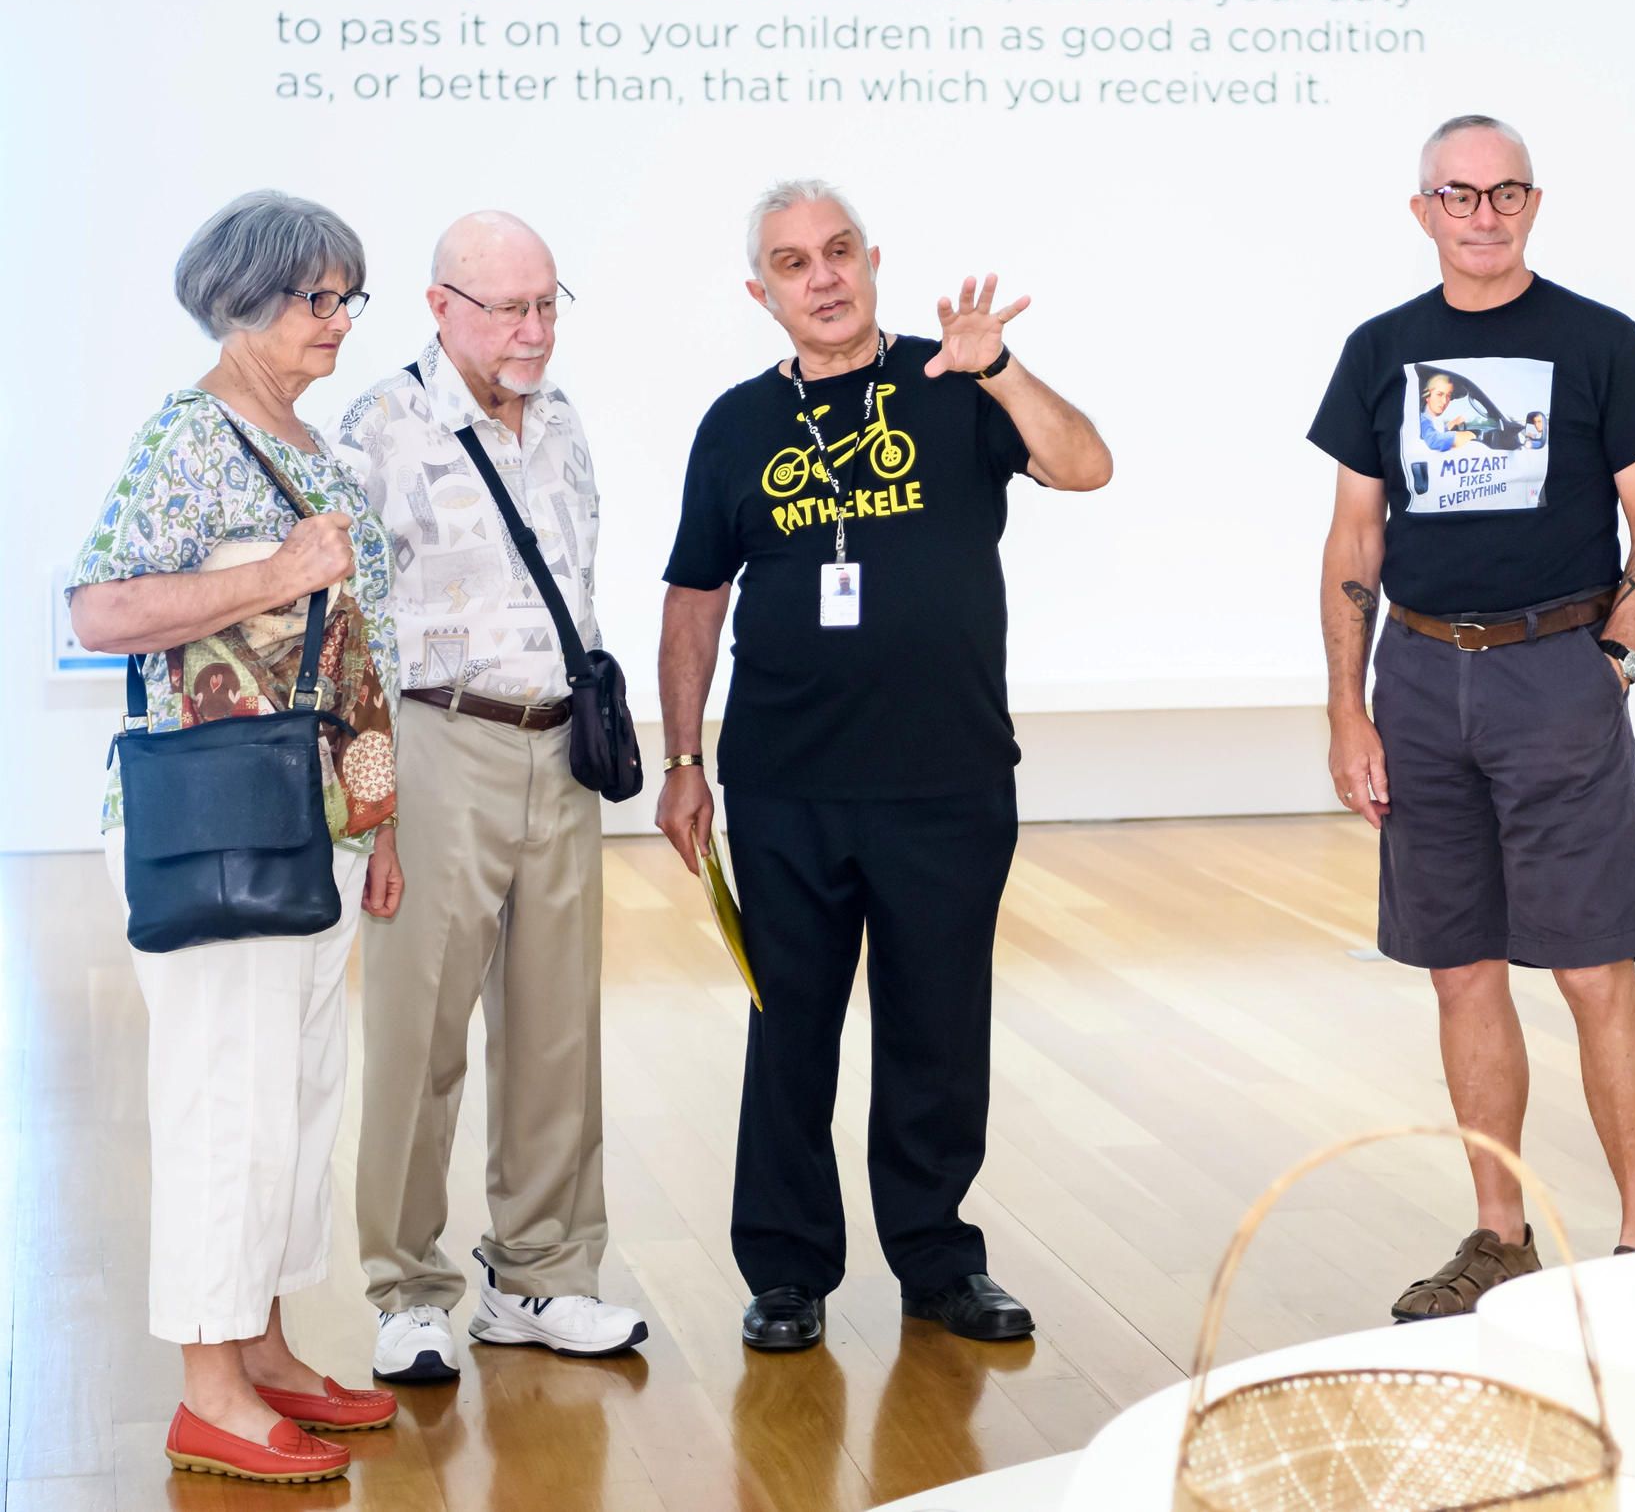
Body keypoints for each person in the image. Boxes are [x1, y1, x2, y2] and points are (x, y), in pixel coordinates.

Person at [656, 180, 1113, 1351]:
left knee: (936, 1031)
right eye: (792, 262)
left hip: (947, 778)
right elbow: (696, 600)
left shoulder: (953, 384)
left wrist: (999, 364)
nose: (823, 276)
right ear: (759, 292)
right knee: (791, 1027)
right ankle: (789, 1271)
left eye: (839, 251)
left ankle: (937, 1260)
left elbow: (1085, 466)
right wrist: (683, 758)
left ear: (872, 261)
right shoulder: (735, 423)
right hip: (785, 783)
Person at [1310, 115, 1635, 1320]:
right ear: (1420, 211)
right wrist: (1347, 707)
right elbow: (1354, 537)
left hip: (1554, 674)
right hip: (1418, 682)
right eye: (1457, 195)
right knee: (1460, 970)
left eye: (1504, 192)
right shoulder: (1381, 349)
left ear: (1534, 202)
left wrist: (1610, 663)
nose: (1483, 214)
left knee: (1593, 968)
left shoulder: (1597, 342)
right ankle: (1497, 1234)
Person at [66, 190, 402, 1484]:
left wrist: (379, 817)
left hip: (312, 817)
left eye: (344, 297)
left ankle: (259, 1341)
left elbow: (354, 653)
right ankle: (207, 1384)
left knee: (296, 1098)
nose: (338, 323)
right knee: (225, 1100)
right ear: (238, 301)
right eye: (317, 298)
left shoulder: (307, 444)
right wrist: (274, 572)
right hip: (212, 819)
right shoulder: (187, 439)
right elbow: (101, 609)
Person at [333, 212, 647, 1382]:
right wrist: (369, 803)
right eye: (508, 308)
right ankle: (408, 1289)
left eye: (548, 303)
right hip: (437, 744)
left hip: (557, 753)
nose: (533, 330)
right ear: (439, 305)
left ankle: (543, 1274)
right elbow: (347, 634)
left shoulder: (560, 421)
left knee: (558, 1029)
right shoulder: (376, 429)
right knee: (419, 1035)